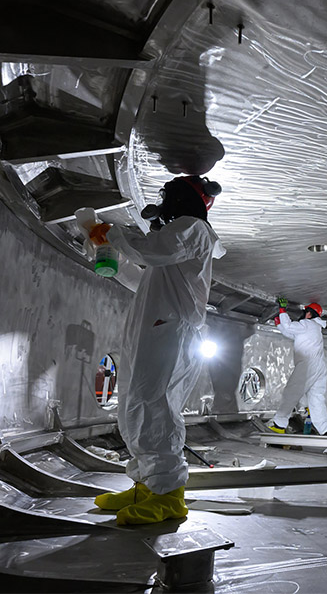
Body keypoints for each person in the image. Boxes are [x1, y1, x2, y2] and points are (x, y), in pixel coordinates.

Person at [91, 175, 225, 525]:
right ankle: (145, 485)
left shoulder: (194, 229)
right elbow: (144, 268)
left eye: (167, 196)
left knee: (158, 408)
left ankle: (168, 497)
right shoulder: (173, 244)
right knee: (134, 405)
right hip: (152, 331)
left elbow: (151, 250)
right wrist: (115, 251)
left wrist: (113, 233)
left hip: (172, 332)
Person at [267, 299, 327, 436]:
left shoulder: (307, 324)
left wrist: (282, 311)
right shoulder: (315, 328)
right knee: (316, 399)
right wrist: (280, 325)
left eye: (305, 312)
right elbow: (292, 334)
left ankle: (279, 424)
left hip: (307, 365)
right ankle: (326, 430)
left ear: (309, 314)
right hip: (319, 367)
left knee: (291, 393)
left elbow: (290, 326)